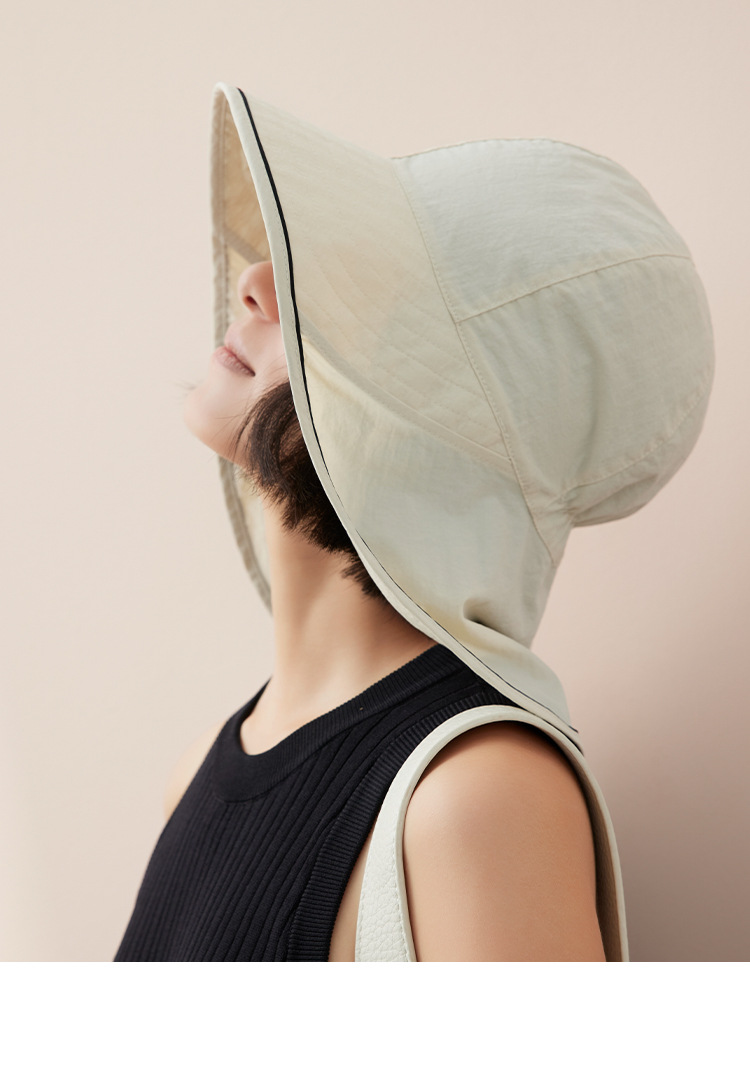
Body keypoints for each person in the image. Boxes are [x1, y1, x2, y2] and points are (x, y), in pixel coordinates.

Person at [113, 84, 714, 962]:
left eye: (337, 302)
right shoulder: (201, 768)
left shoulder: (479, 798)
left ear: (436, 431)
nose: (253, 284)